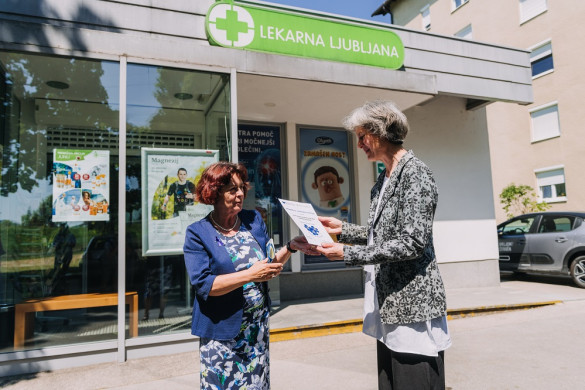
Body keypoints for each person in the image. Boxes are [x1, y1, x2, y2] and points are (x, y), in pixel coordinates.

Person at [312, 100, 451, 390]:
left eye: (362, 137)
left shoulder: (415, 174)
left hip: (411, 305)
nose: (360, 144)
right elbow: (383, 235)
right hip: (388, 304)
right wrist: (343, 230)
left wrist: (348, 253)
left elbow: (411, 242)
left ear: (379, 132)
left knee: (413, 381)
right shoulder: (383, 178)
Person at [183, 161, 309, 390]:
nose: (240, 193)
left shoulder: (253, 221)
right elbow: (205, 285)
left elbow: (268, 266)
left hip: (256, 331)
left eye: (242, 188)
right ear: (214, 192)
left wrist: (291, 247)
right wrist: (250, 275)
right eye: (233, 189)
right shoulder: (198, 233)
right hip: (222, 335)